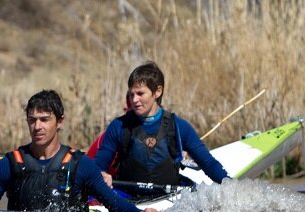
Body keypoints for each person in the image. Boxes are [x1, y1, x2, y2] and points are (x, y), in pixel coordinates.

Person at [0, 89, 162, 212]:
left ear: (59, 122)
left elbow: (113, 203)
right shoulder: (10, 163)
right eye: (32, 120)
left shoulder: (81, 164)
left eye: (44, 120)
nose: (37, 126)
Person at [91, 61, 229, 192]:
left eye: (140, 94)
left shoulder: (179, 127)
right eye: (132, 94)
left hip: (170, 198)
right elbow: (98, 165)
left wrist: (232, 186)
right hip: (128, 198)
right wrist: (101, 174)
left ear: (157, 91)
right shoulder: (118, 126)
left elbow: (209, 164)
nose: (134, 100)